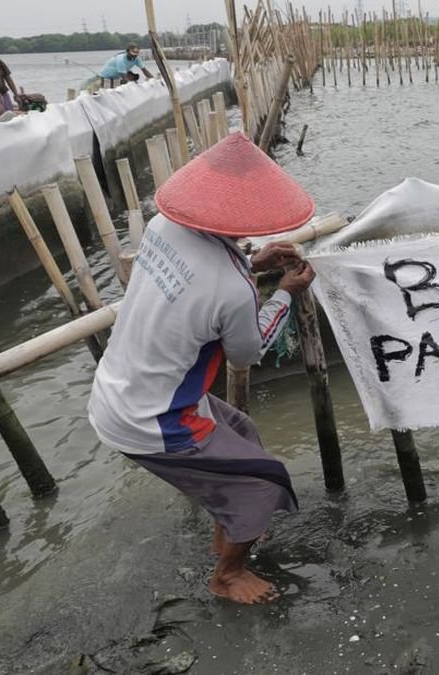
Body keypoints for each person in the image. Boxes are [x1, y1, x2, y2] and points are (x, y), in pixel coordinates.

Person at [87, 132, 317, 604]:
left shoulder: (160, 229)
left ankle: (230, 522)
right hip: (154, 418)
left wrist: (254, 263)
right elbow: (247, 354)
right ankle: (228, 574)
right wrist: (285, 293)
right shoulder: (235, 290)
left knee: (242, 429)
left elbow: (199, 278)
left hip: (121, 388)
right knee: (263, 480)